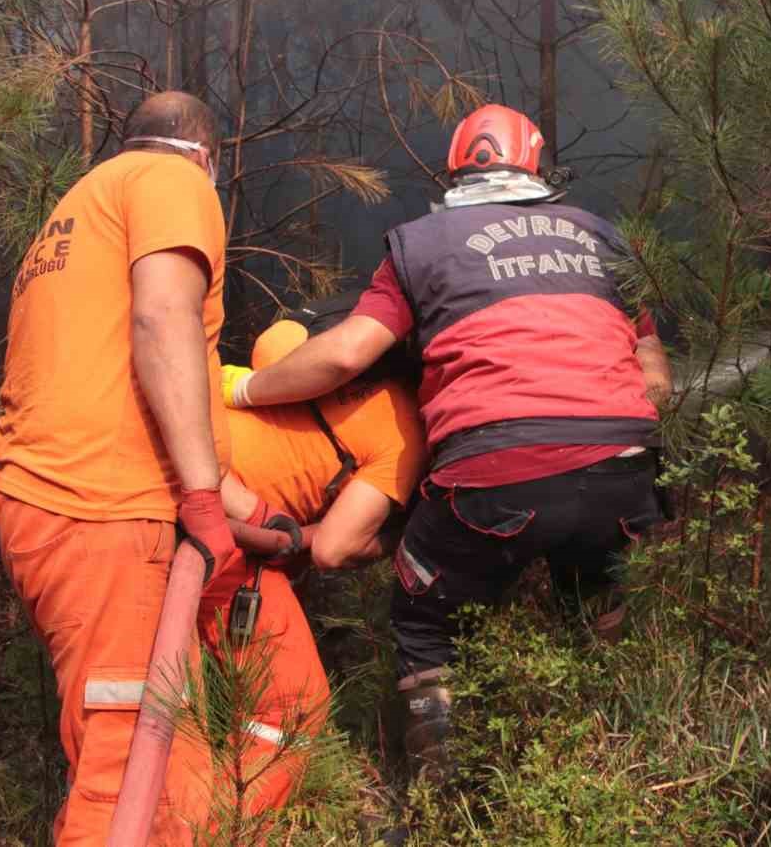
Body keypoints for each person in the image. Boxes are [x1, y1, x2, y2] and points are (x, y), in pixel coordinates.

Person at [220, 103, 673, 783]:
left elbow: (344, 355)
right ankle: (612, 759)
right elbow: (656, 381)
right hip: (624, 465)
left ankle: (443, 798)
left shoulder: (423, 244)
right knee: (598, 600)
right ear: (541, 164)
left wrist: (246, 392)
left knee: (426, 622)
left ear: (456, 170)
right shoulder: (606, 240)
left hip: (495, 470)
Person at [0, 91, 236, 845]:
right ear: (208, 158)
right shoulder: (172, 182)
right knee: (132, 773)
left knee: (171, 763)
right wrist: (201, 496)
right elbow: (164, 320)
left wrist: (236, 502)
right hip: (103, 509)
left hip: (58, 505)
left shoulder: (80, 203)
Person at [197, 317, 425, 810]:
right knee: (291, 709)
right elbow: (332, 549)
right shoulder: (407, 438)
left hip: (154, 458)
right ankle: (224, 824)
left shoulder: (329, 355)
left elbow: (273, 339)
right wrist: (403, 534)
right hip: (218, 534)